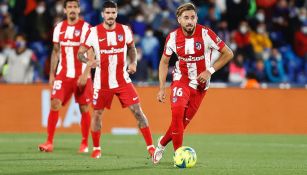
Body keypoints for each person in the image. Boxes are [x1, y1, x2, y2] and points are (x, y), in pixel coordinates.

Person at [153, 3, 233, 164]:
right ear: (179, 20)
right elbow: (164, 62)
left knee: (181, 124)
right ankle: (179, 156)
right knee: (177, 113)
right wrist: (161, 87)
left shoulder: (206, 34)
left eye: (192, 17)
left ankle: (161, 144)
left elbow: (228, 53)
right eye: (186, 18)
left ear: (196, 18)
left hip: (201, 85)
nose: (190, 21)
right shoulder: (173, 37)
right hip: (181, 80)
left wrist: (209, 71)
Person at [77, 0, 155, 159]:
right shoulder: (93, 32)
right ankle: (97, 148)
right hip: (102, 83)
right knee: (97, 114)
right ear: (102, 14)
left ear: (116, 14)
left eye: (113, 13)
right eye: (108, 13)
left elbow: (132, 48)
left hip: (122, 81)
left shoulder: (125, 30)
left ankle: (151, 147)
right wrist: (88, 61)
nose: (110, 16)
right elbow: (80, 53)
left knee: (138, 112)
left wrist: (133, 62)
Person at [38, 0, 93, 153]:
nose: (73, 9)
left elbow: (91, 51)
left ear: (79, 9)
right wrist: (51, 74)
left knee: (84, 108)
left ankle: (84, 143)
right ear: (65, 10)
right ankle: (49, 142)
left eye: (75, 7)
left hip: (81, 75)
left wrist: (86, 73)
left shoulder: (86, 28)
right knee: (55, 103)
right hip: (63, 75)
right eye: (70, 7)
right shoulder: (59, 28)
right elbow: (55, 51)